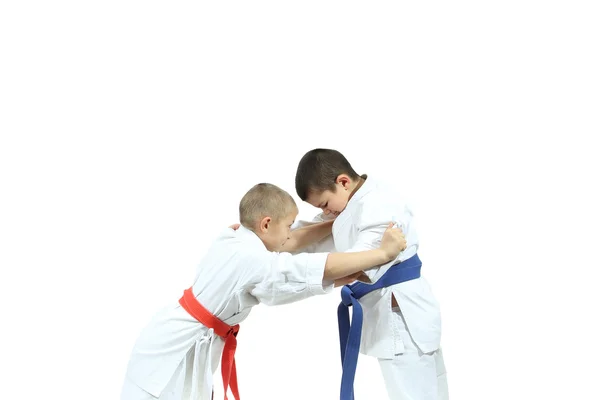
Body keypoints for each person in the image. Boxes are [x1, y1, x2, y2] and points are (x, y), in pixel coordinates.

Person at [120, 182, 407, 400]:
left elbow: (291, 245)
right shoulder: (253, 260)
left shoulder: (233, 236)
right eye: (288, 226)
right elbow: (308, 267)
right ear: (266, 224)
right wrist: (383, 253)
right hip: (173, 352)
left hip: (170, 337)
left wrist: (337, 223)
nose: (290, 233)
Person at [295, 149, 448, 400]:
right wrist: (259, 236)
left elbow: (354, 265)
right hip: (399, 313)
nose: (326, 212)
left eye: (324, 204)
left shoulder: (378, 205)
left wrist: (298, 277)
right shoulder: (355, 202)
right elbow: (308, 234)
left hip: (400, 315)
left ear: (343, 182)